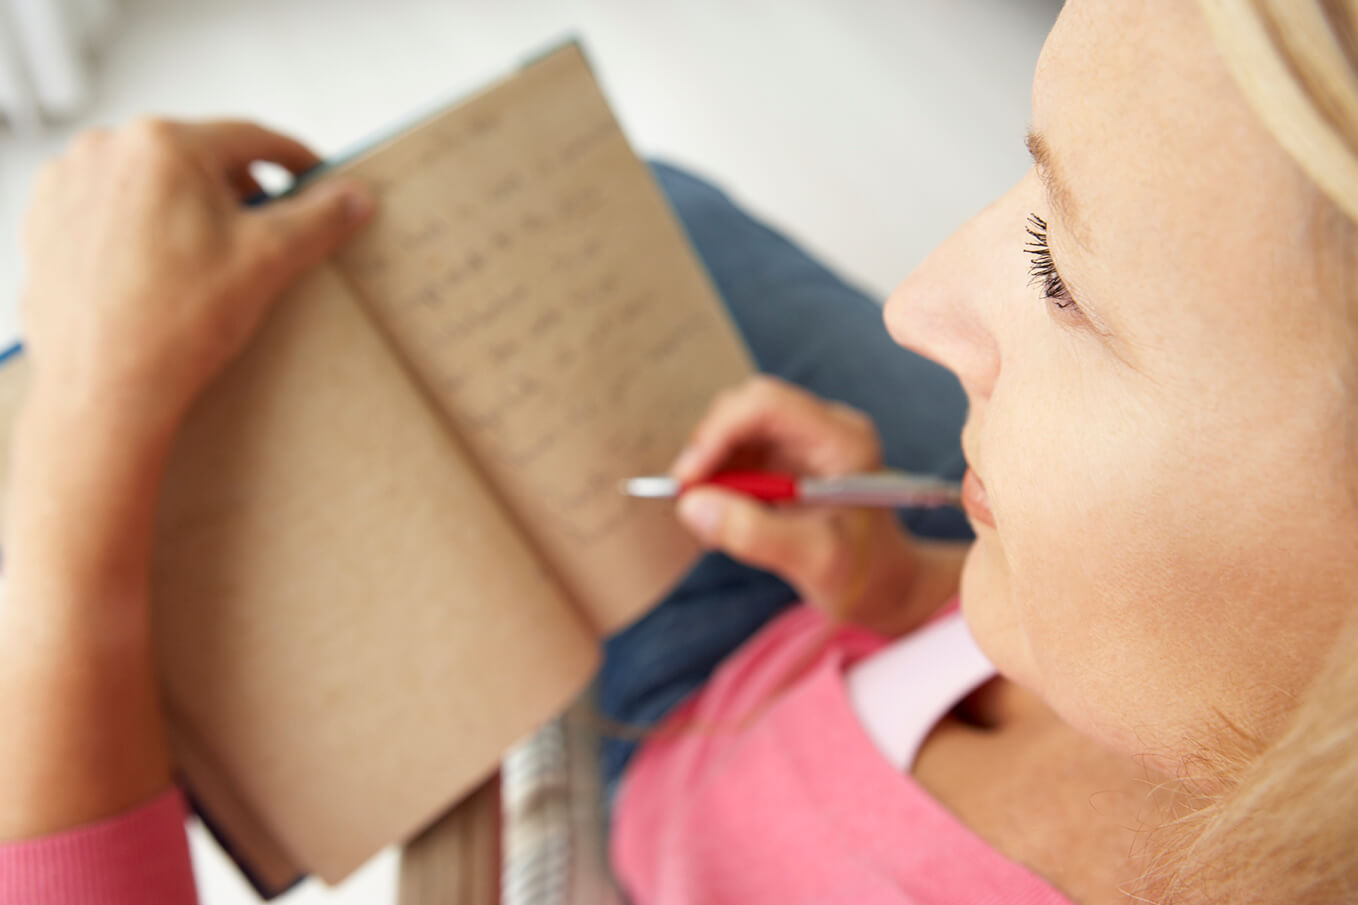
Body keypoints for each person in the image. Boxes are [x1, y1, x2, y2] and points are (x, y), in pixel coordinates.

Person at [3, 0, 1356, 902]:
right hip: (810, 643)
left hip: (622, 814)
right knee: (654, 208)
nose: (917, 295)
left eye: (1062, 273)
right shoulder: (1224, 672)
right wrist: (895, 588)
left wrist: (87, 413)